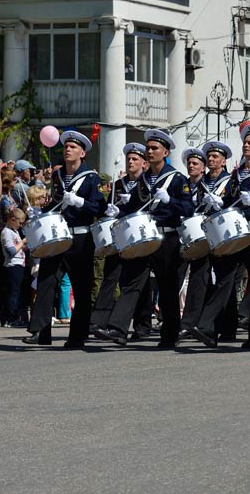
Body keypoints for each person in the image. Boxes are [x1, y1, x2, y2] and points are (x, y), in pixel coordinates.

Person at [95, 130, 192, 348]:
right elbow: (134, 209)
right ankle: (118, 329)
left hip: (167, 237)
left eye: (154, 148)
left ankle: (170, 335)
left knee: (167, 288)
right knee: (131, 282)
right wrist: (117, 210)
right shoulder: (144, 180)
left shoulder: (176, 179)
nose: (149, 151)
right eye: (148, 148)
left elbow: (188, 207)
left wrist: (170, 201)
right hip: (142, 237)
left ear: (165, 152)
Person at [191, 123, 250, 349]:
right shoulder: (236, 175)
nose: (246, 145)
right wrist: (221, 203)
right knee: (223, 279)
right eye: (245, 142)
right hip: (233, 231)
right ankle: (208, 327)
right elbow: (231, 202)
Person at [22, 131, 105, 347]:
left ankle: (77, 336)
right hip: (57, 237)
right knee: (46, 281)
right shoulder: (58, 177)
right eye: (66, 146)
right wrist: (41, 213)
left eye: (73, 147)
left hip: (80, 239)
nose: (68, 150)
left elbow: (99, 207)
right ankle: (41, 331)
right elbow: (56, 204)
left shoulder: (91, 178)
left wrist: (80, 202)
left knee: (81, 287)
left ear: (82, 153)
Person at [89, 143, 152, 339]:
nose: (131, 162)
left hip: (138, 236)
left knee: (138, 282)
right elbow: (109, 208)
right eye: (129, 159)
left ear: (144, 163)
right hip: (118, 237)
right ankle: (98, 322)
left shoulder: (149, 183)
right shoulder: (118, 184)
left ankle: (142, 325)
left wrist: (130, 206)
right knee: (110, 276)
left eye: (135, 159)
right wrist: (111, 210)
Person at [178, 141, 231, 339]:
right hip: (202, 233)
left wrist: (221, 204)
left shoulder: (230, 180)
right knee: (198, 278)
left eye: (215, 157)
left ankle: (224, 325)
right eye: (209, 157)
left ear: (223, 161)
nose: (211, 160)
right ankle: (189, 323)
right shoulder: (201, 182)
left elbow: (236, 204)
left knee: (224, 279)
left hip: (222, 232)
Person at [1, 208, 28, 326]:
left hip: (20, 263)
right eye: (20, 223)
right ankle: (11, 318)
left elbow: (18, 248)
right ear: (13, 220)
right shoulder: (6, 232)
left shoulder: (15, 231)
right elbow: (11, 251)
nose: (21, 226)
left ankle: (15, 316)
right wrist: (22, 243)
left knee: (17, 291)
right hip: (12, 265)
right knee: (13, 292)